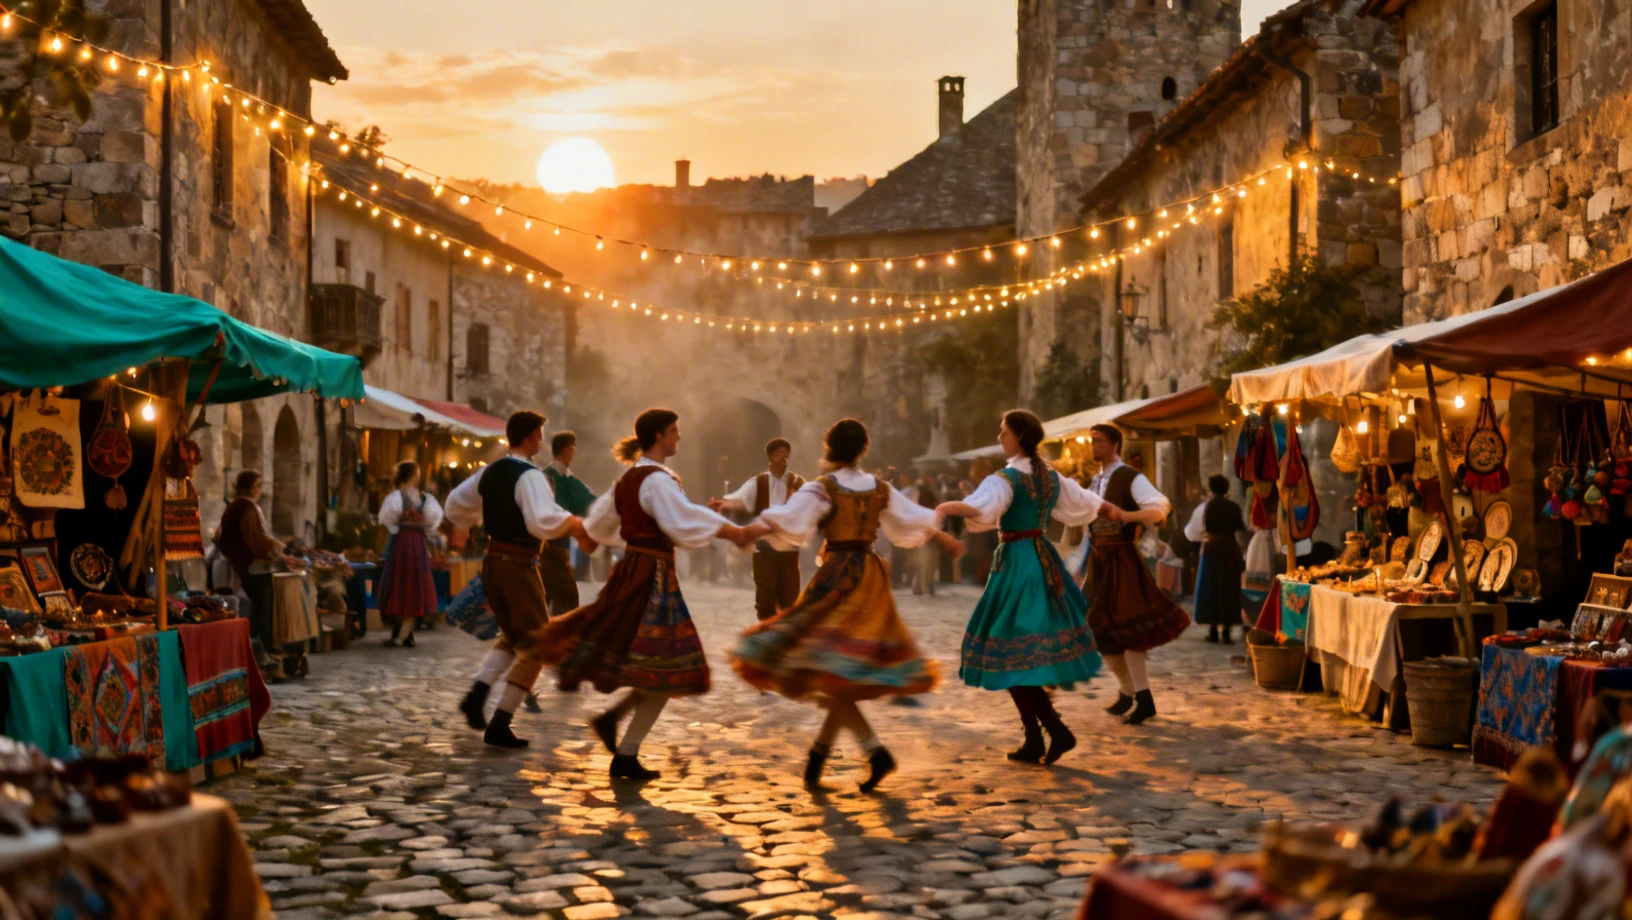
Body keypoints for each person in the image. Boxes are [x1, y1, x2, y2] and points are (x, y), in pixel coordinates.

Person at [733, 420, 961, 791]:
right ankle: (823, 760)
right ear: (862, 449)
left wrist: (748, 532)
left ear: (830, 448)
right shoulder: (878, 487)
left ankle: (869, 753)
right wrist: (942, 538)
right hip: (870, 577)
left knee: (830, 670)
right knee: (838, 674)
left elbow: (788, 517)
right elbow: (911, 518)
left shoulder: (824, 487)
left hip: (839, 576)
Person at [537, 408, 755, 781]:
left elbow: (600, 524)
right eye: (674, 430)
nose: (679, 436)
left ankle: (616, 724)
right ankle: (624, 747)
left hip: (633, 572)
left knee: (654, 664)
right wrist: (731, 531)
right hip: (651, 577)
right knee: (668, 665)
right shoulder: (657, 480)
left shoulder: (628, 480)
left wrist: (592, 538)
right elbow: (681, 521)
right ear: (658, 435)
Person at [936, 410, 1109, 764]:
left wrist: (947, 508)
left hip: (1018, 563)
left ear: (1018, 436)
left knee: (1009, 653)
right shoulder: (1050, 476)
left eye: (1003, 432)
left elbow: (983, 510)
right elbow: (1084, 505)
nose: (999, 437)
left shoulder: (1006, 478)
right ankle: (1036, 737)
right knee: (1016, 655)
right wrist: (1119, 512)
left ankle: (1053, 731)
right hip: (1041, 558)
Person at [444, 411, 596, 749]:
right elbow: (542, 519)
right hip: (517, 566)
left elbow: (455, 505)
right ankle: (500, 722)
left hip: (493, 563)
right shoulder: (529, 475)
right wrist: (576, 525)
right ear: (530, 437)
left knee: (513, 638)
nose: (541, 440)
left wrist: (472, 520)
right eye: (539, 434)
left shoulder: (491, 470)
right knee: (539, 645)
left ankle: (477, 694)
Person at [1084, 424, 1191, 725]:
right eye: (1092, 440)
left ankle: (1144, 699)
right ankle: (1127, 691)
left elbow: (1160, 508)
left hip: (1122, 560)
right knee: (1101, 632)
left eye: (1099, 440)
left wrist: (1127, 515)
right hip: (1099, 560)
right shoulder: (1095, 481)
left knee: (1130, 630)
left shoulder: (1129, 476)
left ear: (1114, 444)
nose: (1093, 445)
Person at [709, 438, 805, 621]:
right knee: (765, 595)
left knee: (789, 597)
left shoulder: (797, 482)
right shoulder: (757, 482)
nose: (782, 458)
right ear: (770, 457)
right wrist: (723, 503)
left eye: (786, 455)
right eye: (778, 454)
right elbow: (741, 500)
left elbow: (809, 504)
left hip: (789, 547)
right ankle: (765, 627)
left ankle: (783, 632)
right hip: (763, 546)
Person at [215, 470, 285, 679]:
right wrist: (279, 553)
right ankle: (263, 657)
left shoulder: (237, 506)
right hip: (253, 568)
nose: (259, 490)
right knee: (262, 613)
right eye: (257, 485)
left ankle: (257, 655)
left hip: (245, 566)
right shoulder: (245, 508)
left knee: (257, 612)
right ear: (247, 487)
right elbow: (257, 539)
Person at [376, 461, 443, 648]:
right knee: (404, 584)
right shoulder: (403, 497)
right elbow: (389, 519)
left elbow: (390, 521)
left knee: (407, 584)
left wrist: (408, 523)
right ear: (412, 475)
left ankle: (405, 632)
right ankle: (402, 631)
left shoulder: (420, 498)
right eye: (417, 473)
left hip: (408, 543)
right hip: (407, 543)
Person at [1187, 475, 1247, 644]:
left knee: (1212, 588)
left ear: (1212, 489)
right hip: (1229, 548)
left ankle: (1213, 630)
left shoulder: (1208, 507)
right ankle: (1227, 630)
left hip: (1212, 549)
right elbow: (1240, 527)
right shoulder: (1233, 506)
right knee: (1229, 588)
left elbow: (1203, 527)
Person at [912, 471, 941, 596]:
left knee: (925, 558)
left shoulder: (922, 489)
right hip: (928, 526)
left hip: (924, 527)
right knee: (928, 558)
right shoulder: (925, 490)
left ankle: (920, 585)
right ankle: (926, 584)